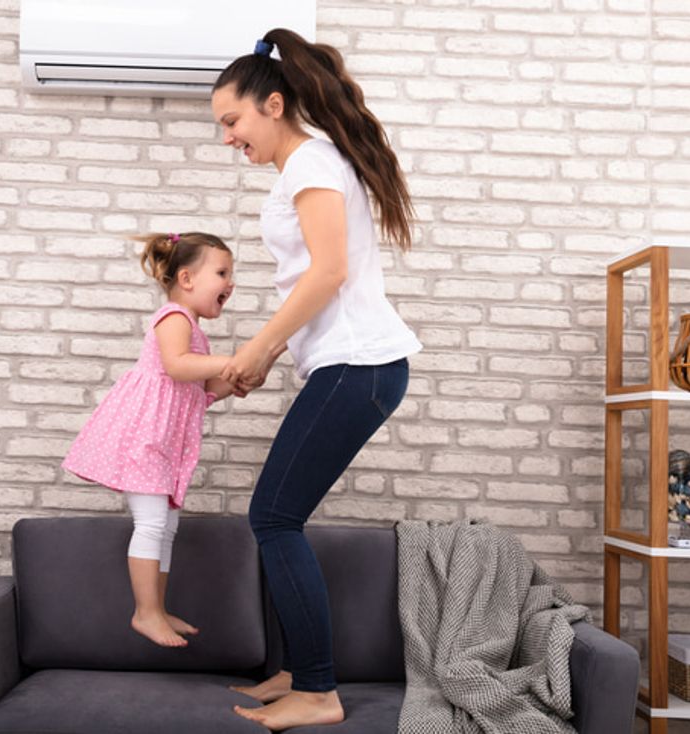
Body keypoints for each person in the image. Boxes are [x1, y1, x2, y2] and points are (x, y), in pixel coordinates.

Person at [211, 28, 423, 730]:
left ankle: (320, 691)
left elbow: (329, 273)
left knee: (273, 518)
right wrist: (267, 355)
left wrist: (261, 348)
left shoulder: (310, 164)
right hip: (352, 365)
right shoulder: (310, 165)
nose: (227, 138)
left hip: (361, 364)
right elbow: (315, 280)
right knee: (276, 516)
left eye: (232, 122)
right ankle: (300, 672)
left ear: (273, 105)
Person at [61, 232, 237, 648]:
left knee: (167, 526)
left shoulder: (193, 328)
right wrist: (234, 360)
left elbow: (203, 387)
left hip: (164, 444)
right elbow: (178, 366)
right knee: (153, 522)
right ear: (187, 278)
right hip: (145, 438)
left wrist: (238, 377)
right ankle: (145, 612)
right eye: (223, 273)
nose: (231, 283)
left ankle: (157, 607)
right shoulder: (174, 317)